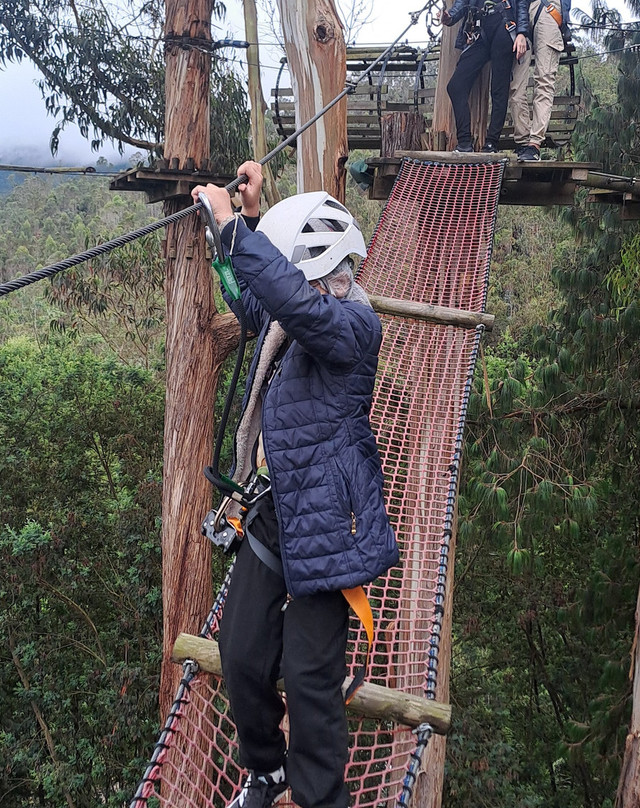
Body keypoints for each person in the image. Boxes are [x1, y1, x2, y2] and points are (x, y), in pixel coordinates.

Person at [191, 162, 399, 808]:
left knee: (310, 680)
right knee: (241, 653)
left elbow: (294, 302)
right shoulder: (297, 314)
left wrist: (235, 229)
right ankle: (266, 770)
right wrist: (244, 223)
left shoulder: (353, 326)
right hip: (278, 509)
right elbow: (258, 300)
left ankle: (320, 799)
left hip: (330, 522)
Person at [442, 0, 529, 153]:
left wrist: (522, 32)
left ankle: (491, 143)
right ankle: (464, 142)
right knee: (456, 86)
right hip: (480, 29)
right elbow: (462, 3)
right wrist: (450, 17)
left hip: (504, 24)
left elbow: (521, 3)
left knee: (498, 90)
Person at [509, 0, 572, 161]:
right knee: (516, 85)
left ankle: (534, 144)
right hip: (520, 10)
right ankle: (523, 141)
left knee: (544, 80)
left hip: (548, 9)